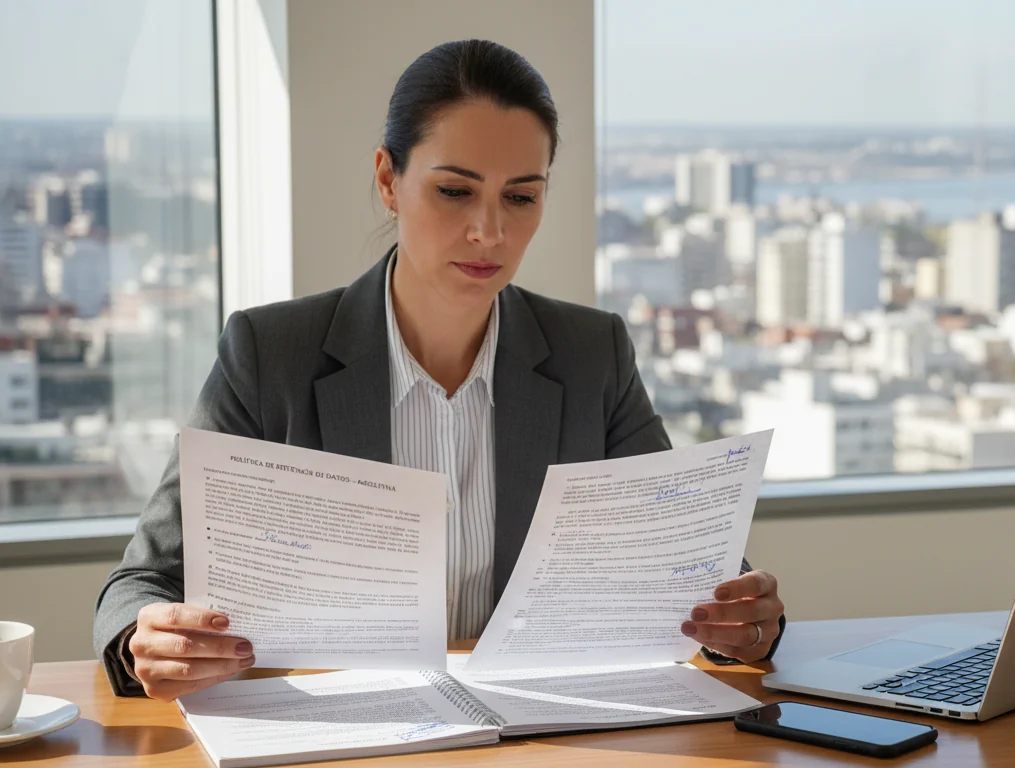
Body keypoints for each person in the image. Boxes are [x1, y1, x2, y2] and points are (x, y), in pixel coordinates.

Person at [92, 39, 785, 701]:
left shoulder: (591, 354)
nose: (490, 232)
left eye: (520, 196)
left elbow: (685, 570)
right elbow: (143, 580)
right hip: (333, 741)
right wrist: (144, 639)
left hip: (543, 739)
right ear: (389, 179)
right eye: (455, 191)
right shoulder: (269, 354)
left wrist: (743, 623)